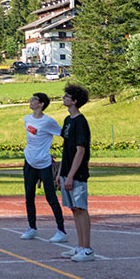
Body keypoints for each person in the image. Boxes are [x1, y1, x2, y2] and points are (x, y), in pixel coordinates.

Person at [20, 92, 67, 242]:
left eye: (34, 99)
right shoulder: (27, 119)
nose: (31, 101)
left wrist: (64, 158)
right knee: (29, 196)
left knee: (51, 197)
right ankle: (32, 228)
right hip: (29, 162)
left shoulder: (48, 122)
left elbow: (64, 136)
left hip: (44, 164)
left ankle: (61, 231)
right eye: (31, 98)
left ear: (41, 104)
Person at [57, 83, 94, 262]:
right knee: (74, 209)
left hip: (77, 173)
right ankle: (80, 246)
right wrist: (60, 173)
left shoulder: (81, 122)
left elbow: (80, 151)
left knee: (81, 208)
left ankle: (87, 249)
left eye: (67, 96)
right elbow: (66, 149)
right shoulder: (67, 120)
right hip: (66, 171)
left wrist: (71, 175)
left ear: (75, 101)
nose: (63, 98)